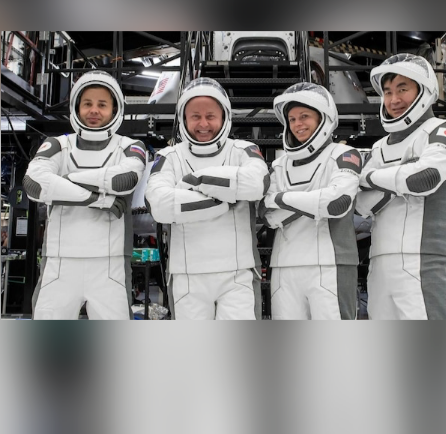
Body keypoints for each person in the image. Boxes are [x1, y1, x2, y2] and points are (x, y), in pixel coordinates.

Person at [23, 70, 146, 320]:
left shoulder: (130, 146)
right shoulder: (58, 144)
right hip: (59, 262)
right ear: (77, 107)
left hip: (110, 264)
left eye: (102, 104)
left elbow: (123, 180)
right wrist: (99, 199)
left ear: (115, 109)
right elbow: (34, 183)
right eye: (87, 104)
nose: (94, 110)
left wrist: (64, 181)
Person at [144, 77, 269, 320]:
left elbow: (257, 184)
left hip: (238, 274)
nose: (203, 124)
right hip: (187, 276)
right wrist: (223, 199)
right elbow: (159, 205)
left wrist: (194, 182)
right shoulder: (169, 156)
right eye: (195, 116)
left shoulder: (243, 150)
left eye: (210, 116)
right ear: (183, 119)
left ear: (224, 116)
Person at [355, 53, 446, 320]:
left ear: (423, 90)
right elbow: (361, 204)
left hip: (424, 260)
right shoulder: (379, 147)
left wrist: (370, 178)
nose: (394, 99)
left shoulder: (443, 129)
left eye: (402, 89)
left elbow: (424, 178)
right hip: (379, 262)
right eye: (387, 92)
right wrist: (400, 175)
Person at [259, 82, 362, 320]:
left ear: (323, 118)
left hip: (331, 263)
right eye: (292, 119)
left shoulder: (344, 154)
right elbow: (268, 215)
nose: (298, 124)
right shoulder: (279, 164)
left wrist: (280, 198)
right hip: (283, 266)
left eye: (304, 116)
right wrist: (315, 198)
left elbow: (336, 203)